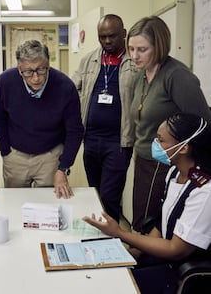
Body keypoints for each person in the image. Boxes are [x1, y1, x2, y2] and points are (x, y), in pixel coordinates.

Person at [83, 113, 211, 293]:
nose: (155, 144)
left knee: (111, 285)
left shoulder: (204, 191)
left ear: (183, 148)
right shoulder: (174, 173)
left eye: (161, 140)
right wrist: (135, 252)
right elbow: (161, 223)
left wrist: (120, 233)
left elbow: (176, 250)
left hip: (179, 272)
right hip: (160, 257)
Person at [127, 15, 211, 232]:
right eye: (131, 49)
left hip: (171, 163)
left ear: (159, 46)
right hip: (145, 159)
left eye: (142, 50)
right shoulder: (140, 76)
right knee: (141, 219)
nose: (134, 56)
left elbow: (203, 124)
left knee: (157, 223)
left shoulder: (177, 76)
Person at [0, 39, 84, 199]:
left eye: (41, 70)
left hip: (50, 156)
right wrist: (5, 151)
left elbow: (75, 131)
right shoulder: (6, 82)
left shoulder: (65, 86)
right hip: (15, 156)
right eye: (28, 72)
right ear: (19, 68)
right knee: (14, 203)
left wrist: (63, 168)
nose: (35, 78)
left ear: (48, 64)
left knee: (49, 205)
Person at [72, 14, 139, 222]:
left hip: (118, 142)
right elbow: (72, 89)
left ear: (124, 34)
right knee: (95, 193)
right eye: (102, 37)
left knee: (110, 196)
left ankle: (111, 244)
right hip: (91, 139)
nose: (107, 41)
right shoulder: (89, 60)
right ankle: (97, 237)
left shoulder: (135, 62)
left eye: (112, 36)